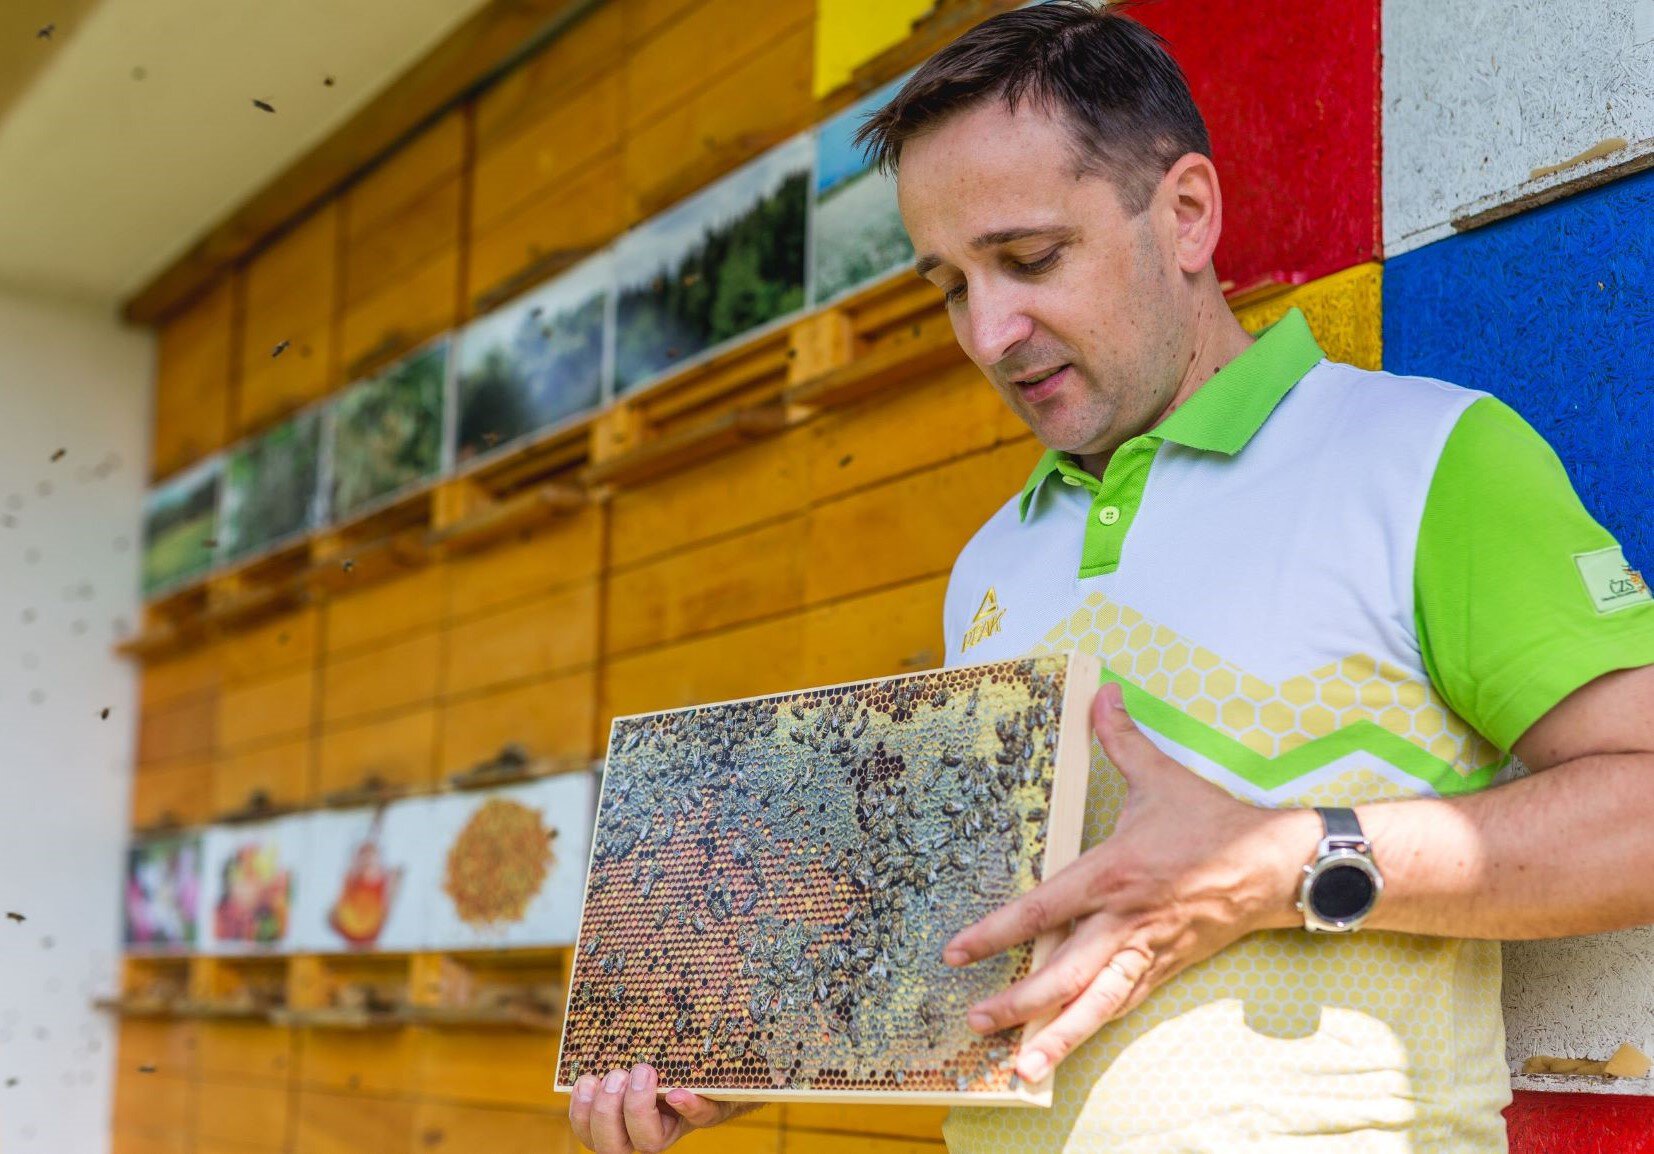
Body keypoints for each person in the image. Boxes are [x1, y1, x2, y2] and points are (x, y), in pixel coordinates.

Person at [569, 4, 1654, 1150]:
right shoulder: (987, 563)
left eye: (1029, 258)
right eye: (948, 286)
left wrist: (1279, 860)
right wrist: (770, 1037)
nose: (989, 332)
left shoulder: (1429, 457)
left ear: (1184, 213)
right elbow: (998, 943)